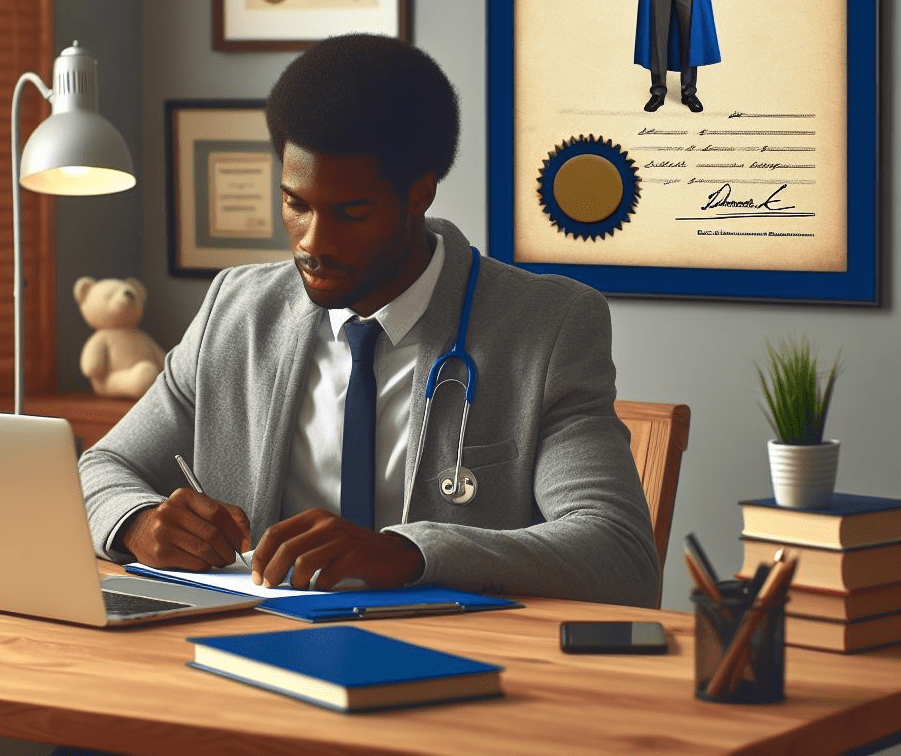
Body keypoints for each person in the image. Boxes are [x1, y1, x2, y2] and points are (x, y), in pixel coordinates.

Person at [79, 33, 659, 605]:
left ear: (419, 195)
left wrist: (410, 554)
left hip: (452, 666)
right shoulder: (236, 310)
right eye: (295, 204)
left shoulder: (547, 328)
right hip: (245, 652)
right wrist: (135, 522)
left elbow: (618, 553)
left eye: (350, 212)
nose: (313, 242)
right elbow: (100, 468)